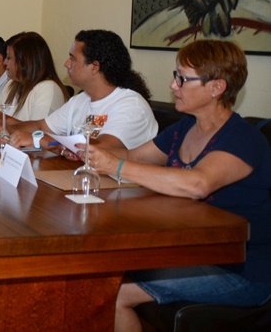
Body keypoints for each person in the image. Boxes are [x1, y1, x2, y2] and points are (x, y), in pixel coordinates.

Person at [84, 40, 271, 332]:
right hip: (191, 251)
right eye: (176, 76)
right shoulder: (185, 128)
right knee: (96, 274)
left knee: (113, 296)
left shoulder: (243, 139)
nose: (173, 85)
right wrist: (82, 148)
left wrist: (115, 166)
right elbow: (133, 157)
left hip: (242, 270)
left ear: (217, 87)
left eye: (182, 79)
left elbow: (197, 184)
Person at [0, 29, 157, 153]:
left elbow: (100, 147)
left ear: (94, 67)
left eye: (73, 59)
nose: (67, 64)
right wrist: (8, 130)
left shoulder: (131, 106)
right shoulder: (80, 100)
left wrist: (37, 139)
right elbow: (41, 125)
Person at [0, 31, 67, 124]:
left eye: (9, 58)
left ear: (24, 61)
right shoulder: (12, 84)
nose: (5, 62)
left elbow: (38, 130)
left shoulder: (47, 88)